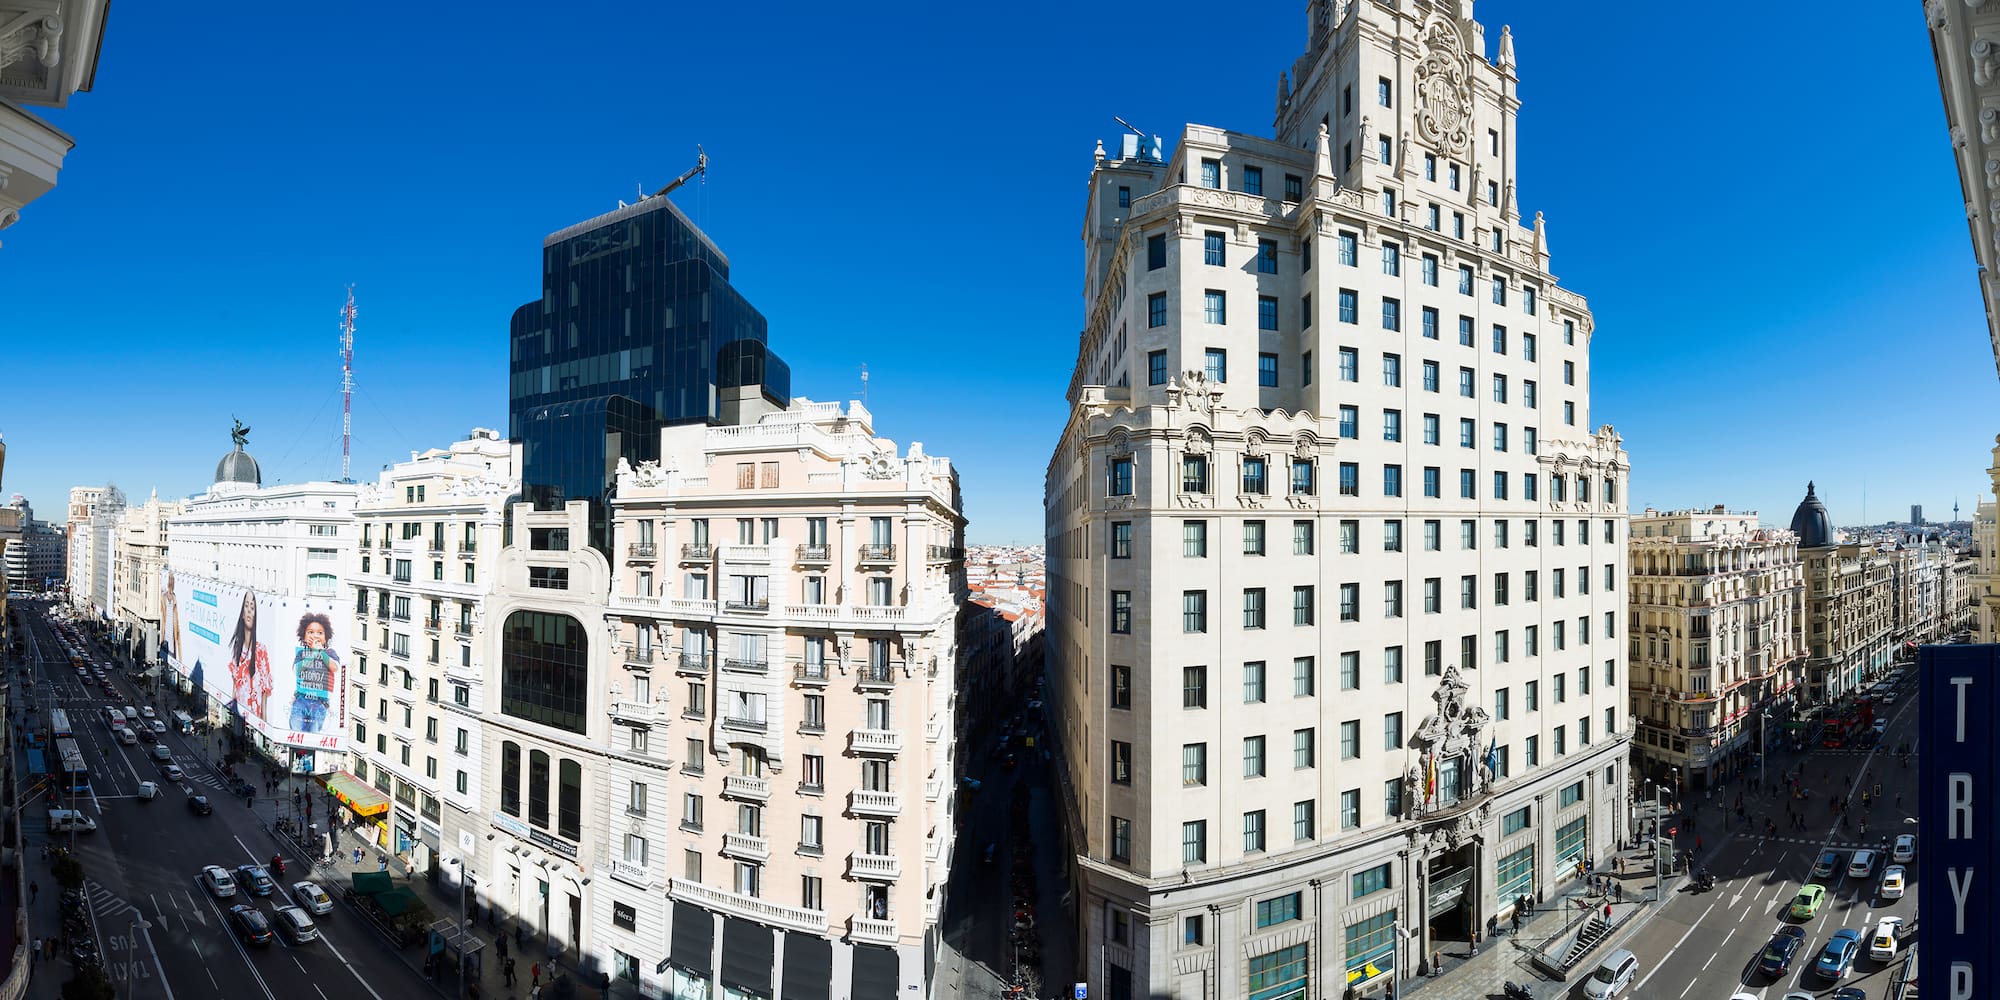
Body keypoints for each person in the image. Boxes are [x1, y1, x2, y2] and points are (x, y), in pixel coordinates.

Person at [226, 591, 273, 722]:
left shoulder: (261, 651)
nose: (249, 611)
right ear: (242, 613)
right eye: (246, 606)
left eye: (252, 608)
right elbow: (234, 691)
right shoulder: (237, 649)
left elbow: (264, 700)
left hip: (255, 721)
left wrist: (264, 728)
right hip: (239, 717)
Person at [289, 614, 340, 733]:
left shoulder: (329, 652)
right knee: (296, 730)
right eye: (310, 632)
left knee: (314, 732)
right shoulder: (302, 652)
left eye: (320, 633)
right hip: (301, 698)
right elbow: (296, 670)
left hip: (320, 701)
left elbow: (335, 667)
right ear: (304, 636)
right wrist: (313, 653)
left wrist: (320, 652)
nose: (315, 635)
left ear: (326, 638)